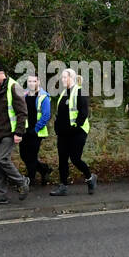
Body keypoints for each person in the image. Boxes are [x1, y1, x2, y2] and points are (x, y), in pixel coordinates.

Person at [0, 60, 31, 205]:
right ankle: (1, 194)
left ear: (1, 74)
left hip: (10, 132)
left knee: (2, 159)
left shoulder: (14, 87)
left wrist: (19, 133)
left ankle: (22, 183)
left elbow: (22, 112)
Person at [49, 67, 96, 197]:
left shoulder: (80, 92)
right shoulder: (64, 93)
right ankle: (63, 186)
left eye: (65, 77)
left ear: (72, 78)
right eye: (62, 77)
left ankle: (90, 178)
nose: (62, 79)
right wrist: (57, 127)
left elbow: (83, 113)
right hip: (63, 133)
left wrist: (75, 128)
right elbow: (60, 114)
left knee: (75, 159)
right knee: (62, 159)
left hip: (78, 132)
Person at [20, 73, 53, 185]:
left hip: (36, 131)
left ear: (38, 82)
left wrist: (36, 129)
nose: (32, 83)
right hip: (24, 130)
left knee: (32, 155)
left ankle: (30, 179)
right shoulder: (24, 95)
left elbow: (46, 115)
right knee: (23, 155)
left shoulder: (43, 96)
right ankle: (44, 169)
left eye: (34, 81)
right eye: (29, 81)